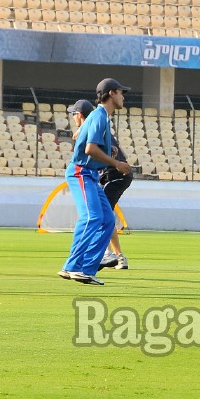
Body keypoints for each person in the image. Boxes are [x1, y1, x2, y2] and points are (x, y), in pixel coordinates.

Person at [59, 80, 131, 285]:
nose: (123, 97)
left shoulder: (101, 117)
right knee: (92, 217)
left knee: (108, 220)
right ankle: (73, 266)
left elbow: (89, 147)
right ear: (111, 93)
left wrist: (109, 153)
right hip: (81, 172)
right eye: (121, 92)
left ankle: (87, 269)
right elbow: (90, 149)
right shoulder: (99, 117)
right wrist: (116, 163)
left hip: (89, 173)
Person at [100, 132, 134, 270]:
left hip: (115, 177)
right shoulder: (103, 131)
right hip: (117, 177)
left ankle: (111, 255)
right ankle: (117, 256)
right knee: (105, 216)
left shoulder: (97, 131)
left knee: (103, 217)